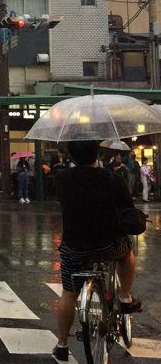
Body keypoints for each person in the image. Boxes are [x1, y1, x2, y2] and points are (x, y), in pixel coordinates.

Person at [52, 140, 142, 362]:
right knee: (126, 251)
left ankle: (62, 344)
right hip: (107, 244)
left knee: (69, 293)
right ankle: (125, 295)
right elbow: (127, 209)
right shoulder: (111, 178)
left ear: (71, 156)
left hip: (74, 246)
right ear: (97, 154)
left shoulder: (63, 179)